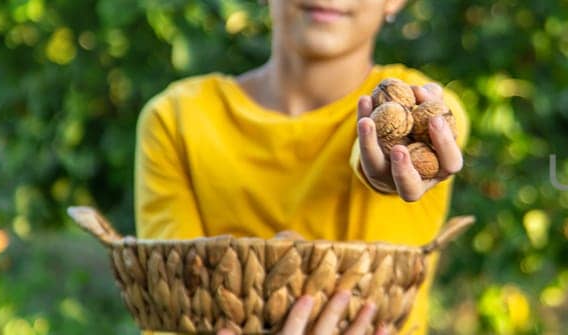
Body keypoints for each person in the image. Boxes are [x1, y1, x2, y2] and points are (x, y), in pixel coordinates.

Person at [136, 0, 469, 333]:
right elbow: (174, 303)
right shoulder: (177, 119)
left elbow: (363, 148)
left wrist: (380, 173)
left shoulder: (428, 111)